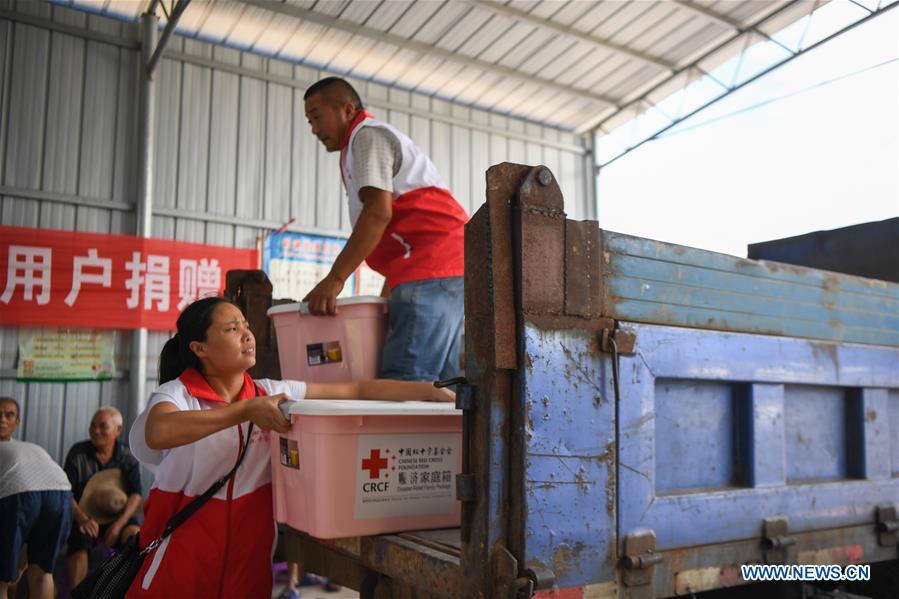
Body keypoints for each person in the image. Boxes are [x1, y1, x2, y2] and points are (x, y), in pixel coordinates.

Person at [126, 296, 453, 598]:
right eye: (232, 328)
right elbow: (158, 431)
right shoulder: (177, 395)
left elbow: (353, 389)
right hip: (175, 570)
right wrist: (245, 411)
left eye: (246, 325)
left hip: (247, 571)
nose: (247, 335)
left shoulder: (272, 392)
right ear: (200, 348)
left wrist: (426, 390)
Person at [303, 77, 468, 382]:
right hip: (442, 269)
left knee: (404, 381)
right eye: (309, 121)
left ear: (347, 109)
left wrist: (335, 279)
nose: (313, 128)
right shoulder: (358, 146)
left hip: (432, 268)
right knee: (445, 388)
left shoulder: (367, 138)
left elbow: (378, 212)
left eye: (316, 117)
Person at [0, 397, 73, 599]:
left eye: (8, 414)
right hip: (62, 495)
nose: (2, 420)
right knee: (42, 572)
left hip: (20, 492)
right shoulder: (30, 447)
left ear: (17, 421)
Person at [64, 407, 143, 590]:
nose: (95, 430)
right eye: (92, 425)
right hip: (84, 514)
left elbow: (136, 494)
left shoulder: (126, 455)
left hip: (117, 515)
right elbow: (66, 491)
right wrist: (82, 518)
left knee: (135, 537)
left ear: (118, 430)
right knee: (79, 542)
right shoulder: (79, 453)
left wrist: (117, 526)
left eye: (103, 426)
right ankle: (77, 594)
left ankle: (127, 591)